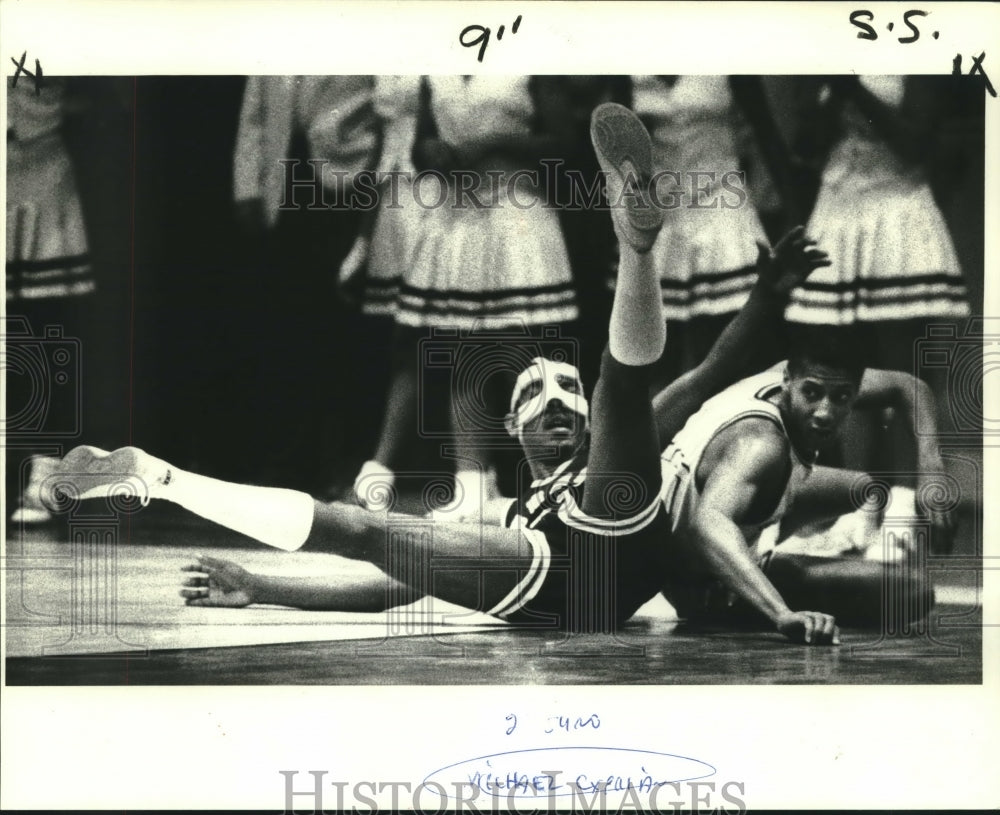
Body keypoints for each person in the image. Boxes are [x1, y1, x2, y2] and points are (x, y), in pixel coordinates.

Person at [47, 105, 832, 641]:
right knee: (363, 526)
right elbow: (390, 577)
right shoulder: (514, 520)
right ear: (514, 433)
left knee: (631, 391)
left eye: (564, 390)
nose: (556, 400)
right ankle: (158, 475)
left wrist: (767, 296)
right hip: (555, 579)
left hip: (620, 529)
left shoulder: (615, 446)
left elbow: (719, 364)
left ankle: (637, 247)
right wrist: (262, 584)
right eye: (533, 394)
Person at [655, 324, 953, 634]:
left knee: (864, 488)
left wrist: (932, 469)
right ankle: (759, 570)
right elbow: (707, 523)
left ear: (855, 391)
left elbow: (908, 386)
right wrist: (781, 613)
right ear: (788, 381)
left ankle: (789, 543)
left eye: (841, 398)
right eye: (812, 393)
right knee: (910, 593)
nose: (825, 411)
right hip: (695, 580)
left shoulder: (791, 378)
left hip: (709, 511)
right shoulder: (761, 445)